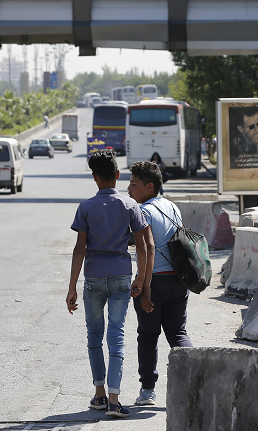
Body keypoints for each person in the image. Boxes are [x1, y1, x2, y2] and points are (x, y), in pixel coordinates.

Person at [66, 149, 154, 418]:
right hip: (120, 277)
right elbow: (142, 245)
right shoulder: (130, 205)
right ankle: (115, 401)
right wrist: (140, 278)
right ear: (117, 174)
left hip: (93, 279)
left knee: (94, 337)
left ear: (94, 177)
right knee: (116, 336)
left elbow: (80, 248)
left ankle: (99, 395)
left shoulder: (86, 207)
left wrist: (71, 287)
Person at [127, 160, 193, 406]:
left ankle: (147, 391)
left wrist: (143, 286)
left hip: (155, 280)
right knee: (178, 332)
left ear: (149, 186)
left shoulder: (142, 212)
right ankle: (191, 382)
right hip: (178, 281)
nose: (129, 189)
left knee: (148, 335)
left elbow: (147, 249)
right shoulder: (172, 207)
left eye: (134, 184)